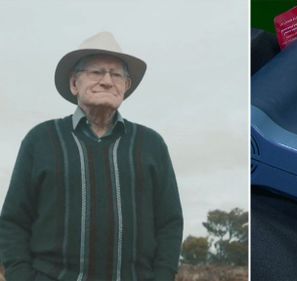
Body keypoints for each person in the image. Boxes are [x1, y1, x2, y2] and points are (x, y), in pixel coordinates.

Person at [0, 32, 183, 281]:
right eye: (96, 72)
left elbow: (169, 222)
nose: (107, 81)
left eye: (116, 74)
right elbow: (13, 221)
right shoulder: (40, 139)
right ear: (75, 83)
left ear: (125, 87)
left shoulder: (151, 144)